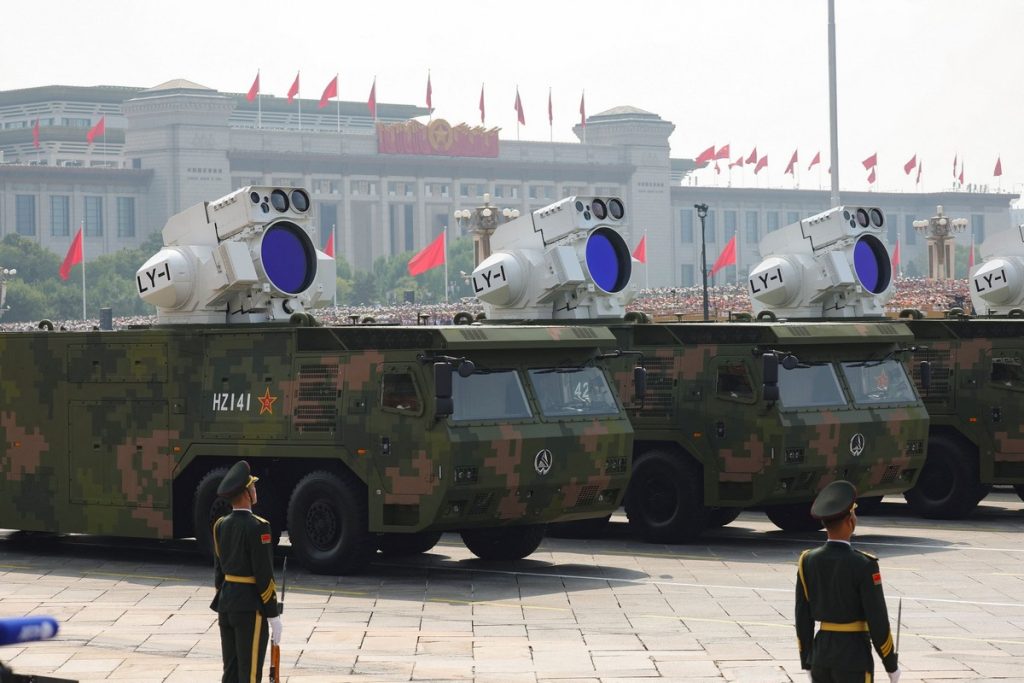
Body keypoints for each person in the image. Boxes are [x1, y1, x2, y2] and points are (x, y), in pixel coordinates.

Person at [795, 480, 901, 683]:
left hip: (821, 656)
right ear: (850, 521)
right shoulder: (864, 564)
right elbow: (877, 619)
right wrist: (891, 665)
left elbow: (802, 617)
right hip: (854, 658)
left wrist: (807, 660)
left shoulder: (806, 561)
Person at [210, 460, 282, 683]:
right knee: (249, 674)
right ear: (245, 494)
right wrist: (272, 614)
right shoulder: (259, 526)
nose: (255, 489)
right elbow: (263, 574)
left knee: (230, 672)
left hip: (226, 605)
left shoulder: (220, 525)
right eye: (252, 486)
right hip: (250, 608)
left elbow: (219, 573)